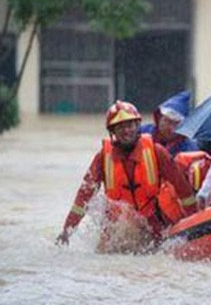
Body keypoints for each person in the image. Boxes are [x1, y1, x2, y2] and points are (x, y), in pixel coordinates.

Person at [56, 100, 198, 253]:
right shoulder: (102, 158)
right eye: (121, 127)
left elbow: (183, 190)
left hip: (153, 229)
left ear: (138, 126)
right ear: (113, 132)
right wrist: (66, 232)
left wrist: (194, 222)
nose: (127, 131)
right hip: (116, 231)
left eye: (130, 125)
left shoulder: (157, 152)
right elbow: (82, 199)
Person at [140, 90, 199, 157]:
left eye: (176, 124)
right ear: (159, 117)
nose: (171, 128)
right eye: (168, 121)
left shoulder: (190, 148)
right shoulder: (141, 133)